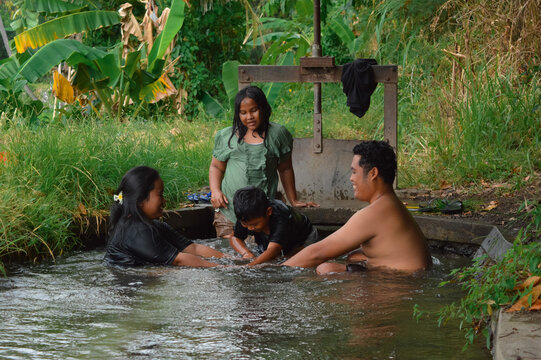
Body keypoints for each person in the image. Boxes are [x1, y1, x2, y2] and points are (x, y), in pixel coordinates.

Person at [283, 140, 432, 274]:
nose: (351, 178)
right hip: (409, 279)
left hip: (401, 285)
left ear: (373, 173)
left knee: (326, 269)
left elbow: (317, 253)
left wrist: (276, 271)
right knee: (354, 257)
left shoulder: (375, 213)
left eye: (354, 172)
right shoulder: (391, 203)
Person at [209, 85, 317, 239]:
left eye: (254, 110)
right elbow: (216, 167)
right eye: (243, 113)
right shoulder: (227, 136)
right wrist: (215, 191)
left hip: (262, 216)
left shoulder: (278, 135)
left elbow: (285, 169)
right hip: (230, 211)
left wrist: (293, 199)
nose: (249, 117)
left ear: (264, 108)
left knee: (265, 253)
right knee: (232, 252)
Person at [104, 166, 225, 267]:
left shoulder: (155, 226)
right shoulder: (136, 230)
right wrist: (224, 268)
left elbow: (193, 248)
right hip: (130, 285)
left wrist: (231, 259)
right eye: (160, 194)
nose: (164, 200)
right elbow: (180, 260)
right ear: (140, 200)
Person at [229, 186, 318, 266]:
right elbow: (235, 238)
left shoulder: (282, 218)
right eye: (245, 224)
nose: (250, 228)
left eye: (254, 224)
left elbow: (273, 250)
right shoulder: (246, 215)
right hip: (272, 235)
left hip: (304, 238)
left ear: (268, 212)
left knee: (289, 259)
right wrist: (246, 253)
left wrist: (250, 266)